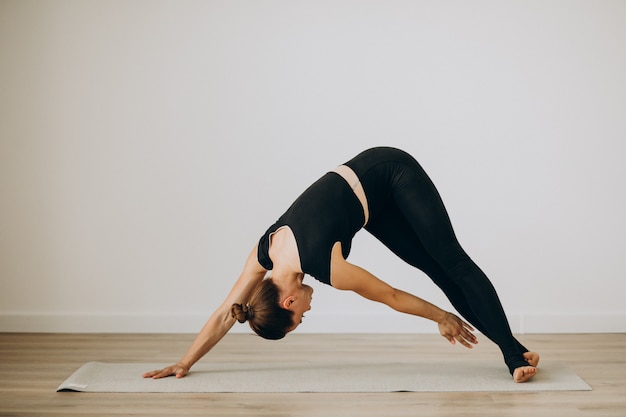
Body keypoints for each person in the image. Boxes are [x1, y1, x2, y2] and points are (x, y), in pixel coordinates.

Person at [143, 147, 539, 383]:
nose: (308, 312)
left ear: (288, 302)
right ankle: (516, 352)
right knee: (436, 269)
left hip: (391, 170)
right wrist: (184, 362)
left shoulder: (325, 264)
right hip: (373, 205)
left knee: (451, 260)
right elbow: (224, 315)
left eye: (300, 318)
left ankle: (510, 356)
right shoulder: (265, 252)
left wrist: (440, 316)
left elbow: (391, 295)